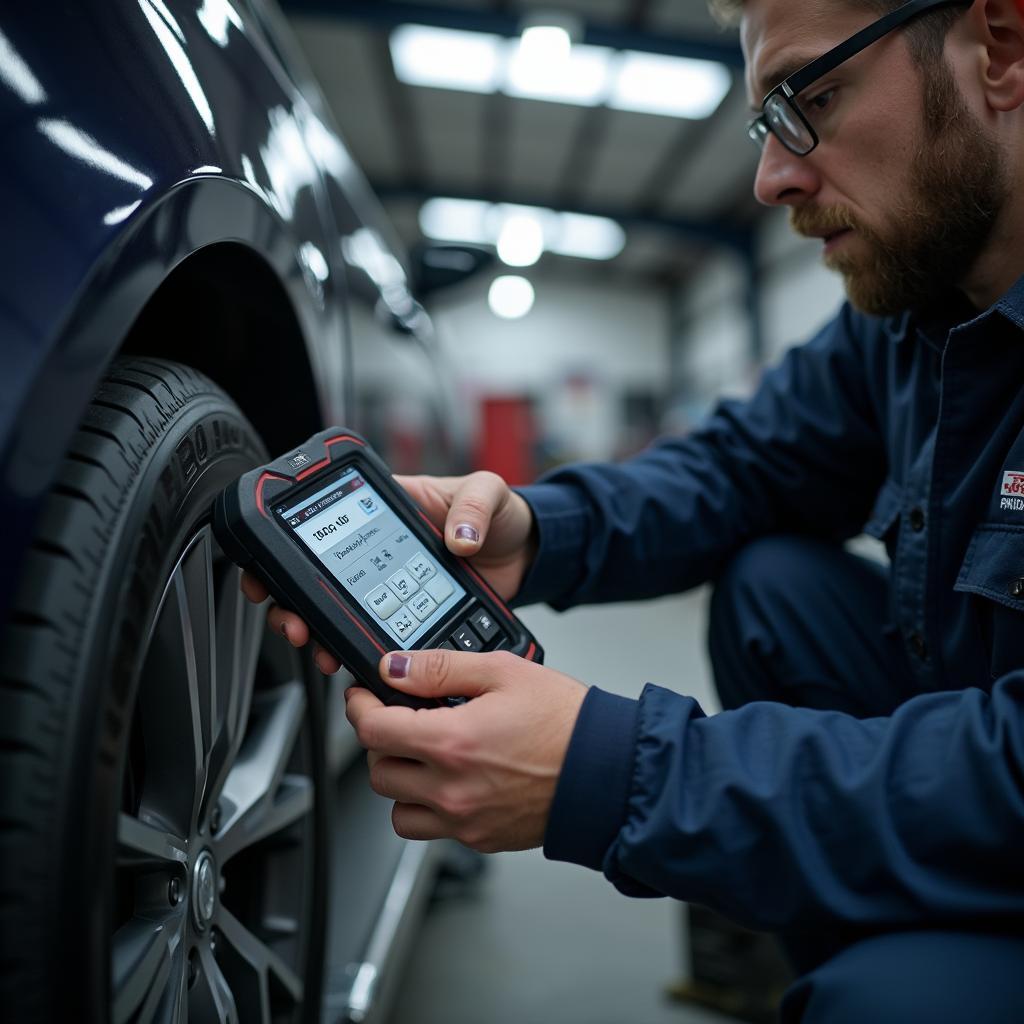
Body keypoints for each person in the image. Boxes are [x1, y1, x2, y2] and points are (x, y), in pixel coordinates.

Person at [242, 0, 1024, 1018]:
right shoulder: (914, 315)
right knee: (774, 585)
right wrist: (538, 529)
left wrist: (616, 772)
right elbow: (742, 467)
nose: (771, 176)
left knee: (888, 1001)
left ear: (998, 45)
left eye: (812, 98)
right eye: (765, 122)